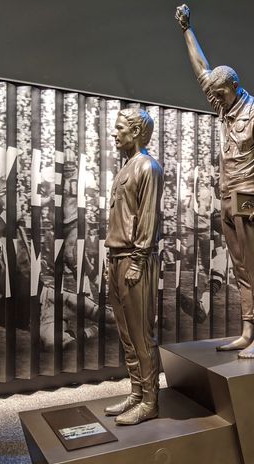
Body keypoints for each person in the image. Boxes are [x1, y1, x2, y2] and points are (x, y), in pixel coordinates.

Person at [175, 4, 254, 359]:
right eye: (215, 94)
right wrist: (187, 29)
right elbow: (201, 70)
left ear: (235, 86)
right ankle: (247, 329)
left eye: (220, 93)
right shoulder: (225, 107)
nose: (215, 98)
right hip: (226, 194)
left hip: (250, 194)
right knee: (238, 267)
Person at [104, 108, 163, 425]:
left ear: (136, 132)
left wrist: (138, 261)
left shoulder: (148, 167)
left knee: (142, 336)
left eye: (119, 128)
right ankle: (137, 392)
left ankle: (151, 401)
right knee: (127, 335)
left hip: (134, 259)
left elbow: (148, 219)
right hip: (117, 257)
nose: (114, 133)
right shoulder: (126, 167)